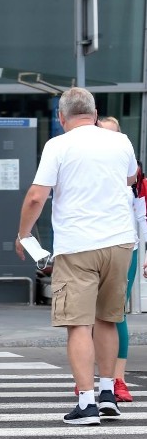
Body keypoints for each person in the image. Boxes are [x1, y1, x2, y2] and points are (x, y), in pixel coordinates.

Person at [17, 87, 136, 425]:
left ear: (61, 117)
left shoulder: (58, 145)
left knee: (78, 325)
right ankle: (108, 393)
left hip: (78, 245)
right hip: (119, 242)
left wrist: (24, 234)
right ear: (95, 114)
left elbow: (37, 197)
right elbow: (130, 178)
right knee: (109, 319)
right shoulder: (121, 141)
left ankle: (87, 403)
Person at [99, 115, 138, 402]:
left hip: (126, 248)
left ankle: (118, 379)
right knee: (86, 318)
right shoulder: (89, 173)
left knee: (115, 315)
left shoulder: (135, 180)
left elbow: (143, 217)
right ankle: (90, 378)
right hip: (89, 247)